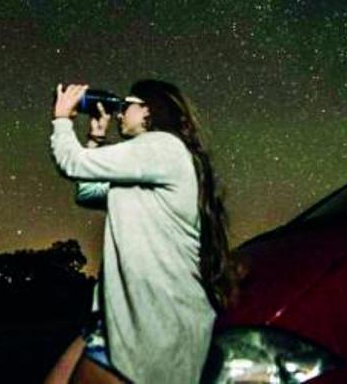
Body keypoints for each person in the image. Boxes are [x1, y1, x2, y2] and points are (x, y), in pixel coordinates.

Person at [44, 80, 233, 384]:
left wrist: (62, 118)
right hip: (120, 319)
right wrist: (95, 136)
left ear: (149, 109)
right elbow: (88, 193)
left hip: (151, 325)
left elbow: (72, 162)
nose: (119, 113)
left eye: (126, 104)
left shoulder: (162, 146)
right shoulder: (147, 159)